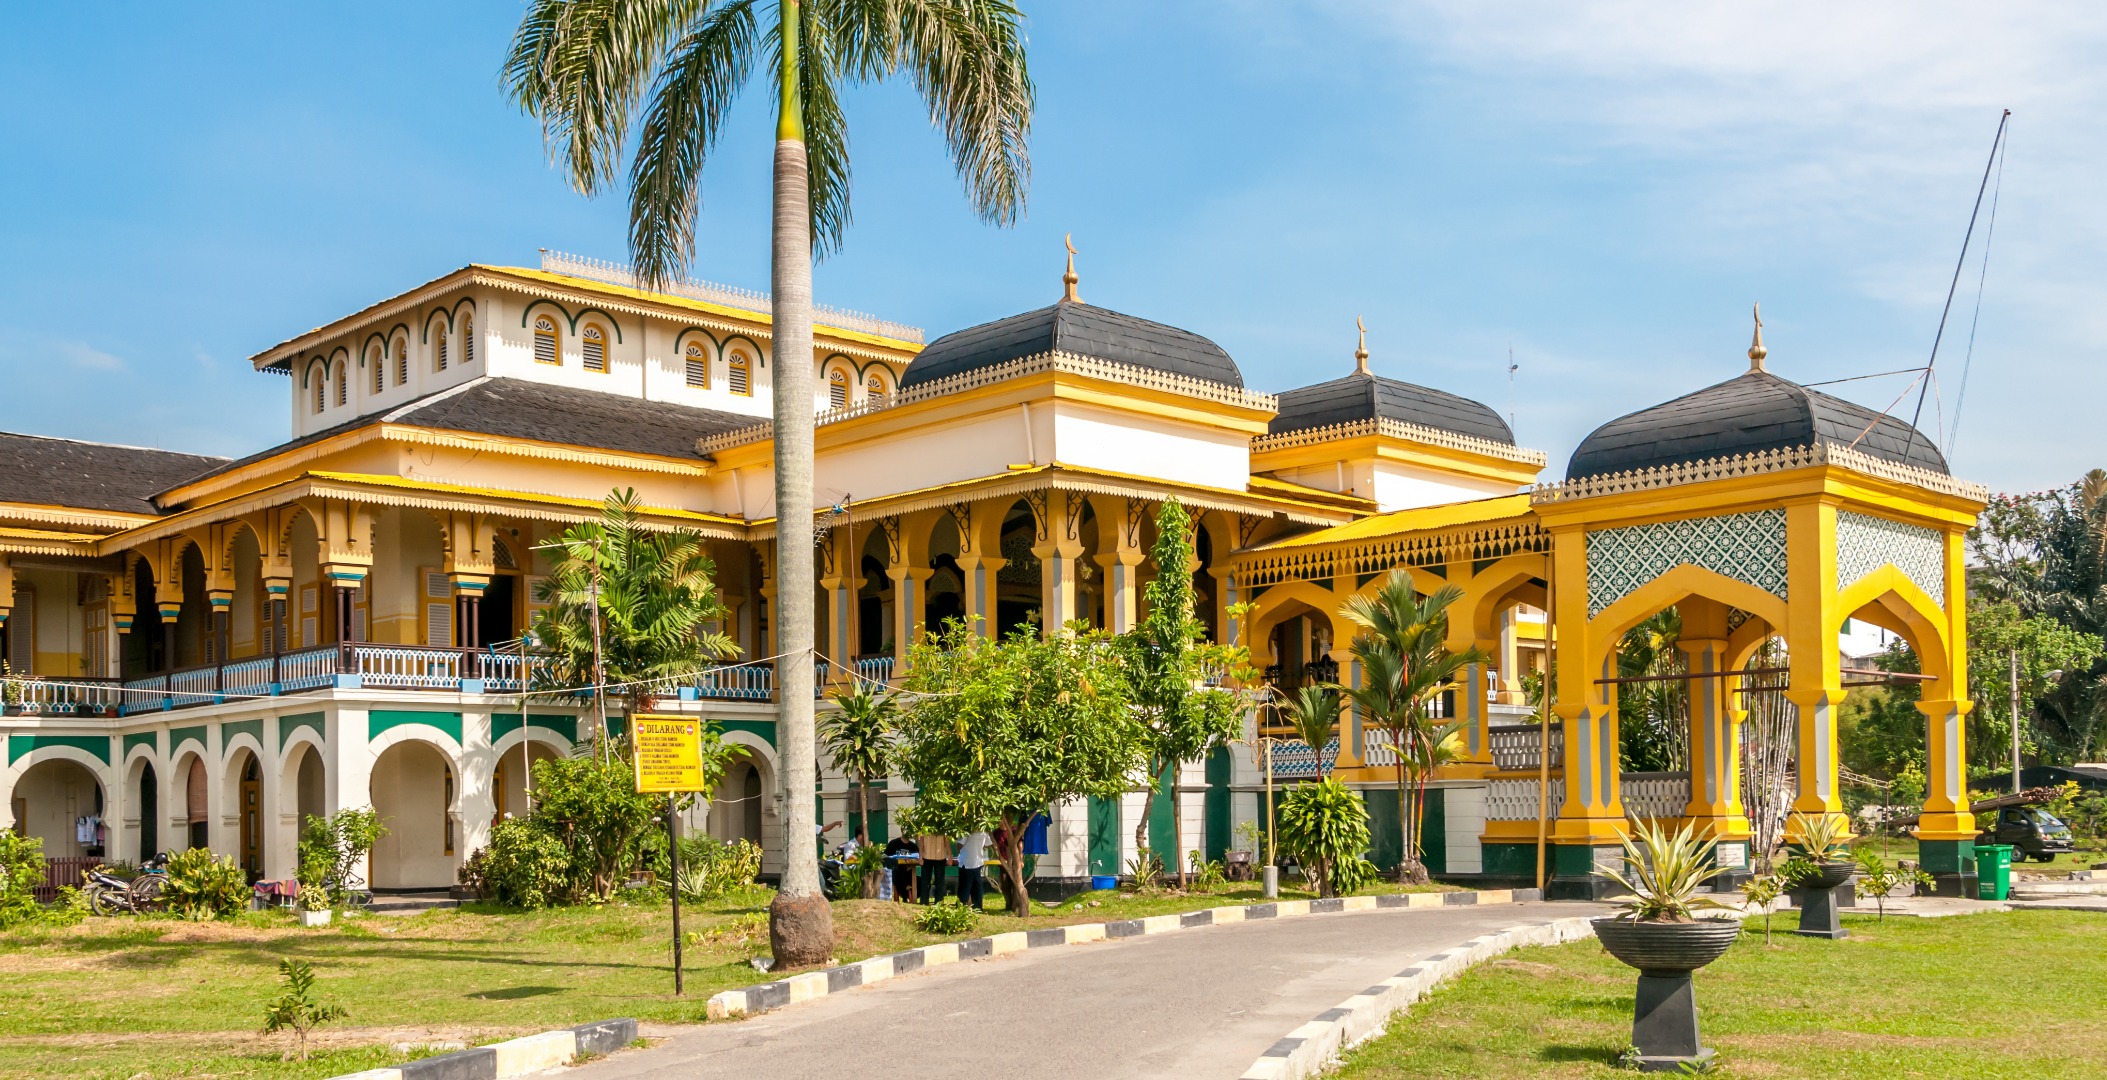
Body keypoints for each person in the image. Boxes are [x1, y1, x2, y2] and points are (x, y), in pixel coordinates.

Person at [956, 829, 990, 911]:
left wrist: (960, 852)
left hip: (966, 862)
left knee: (964, 886)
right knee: (977, 886)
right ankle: (978, 907)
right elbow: (989, 844)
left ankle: (961, 905)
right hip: (978, 862)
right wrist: (979, 847)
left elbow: (959, 844)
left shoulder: (967, 832)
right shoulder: (983, 832)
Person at [917, 832, 952, 905]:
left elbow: (946, 839)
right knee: (925, 881)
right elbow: (921, 838)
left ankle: (939, 902)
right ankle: (924, 901)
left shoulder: (942, 826)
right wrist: (920, 856)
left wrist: (950, 856)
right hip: (927, 855)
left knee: (939, 882)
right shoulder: (924, 824)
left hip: (940, 856)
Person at [885, 834, 917, 903]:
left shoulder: (913, 846)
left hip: (910, 874)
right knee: (899, 878)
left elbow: (919, 857)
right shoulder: (893, 844)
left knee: (920, 882)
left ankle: (909, 897)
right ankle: (905, 896)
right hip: (896, 872)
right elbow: (886, 857)